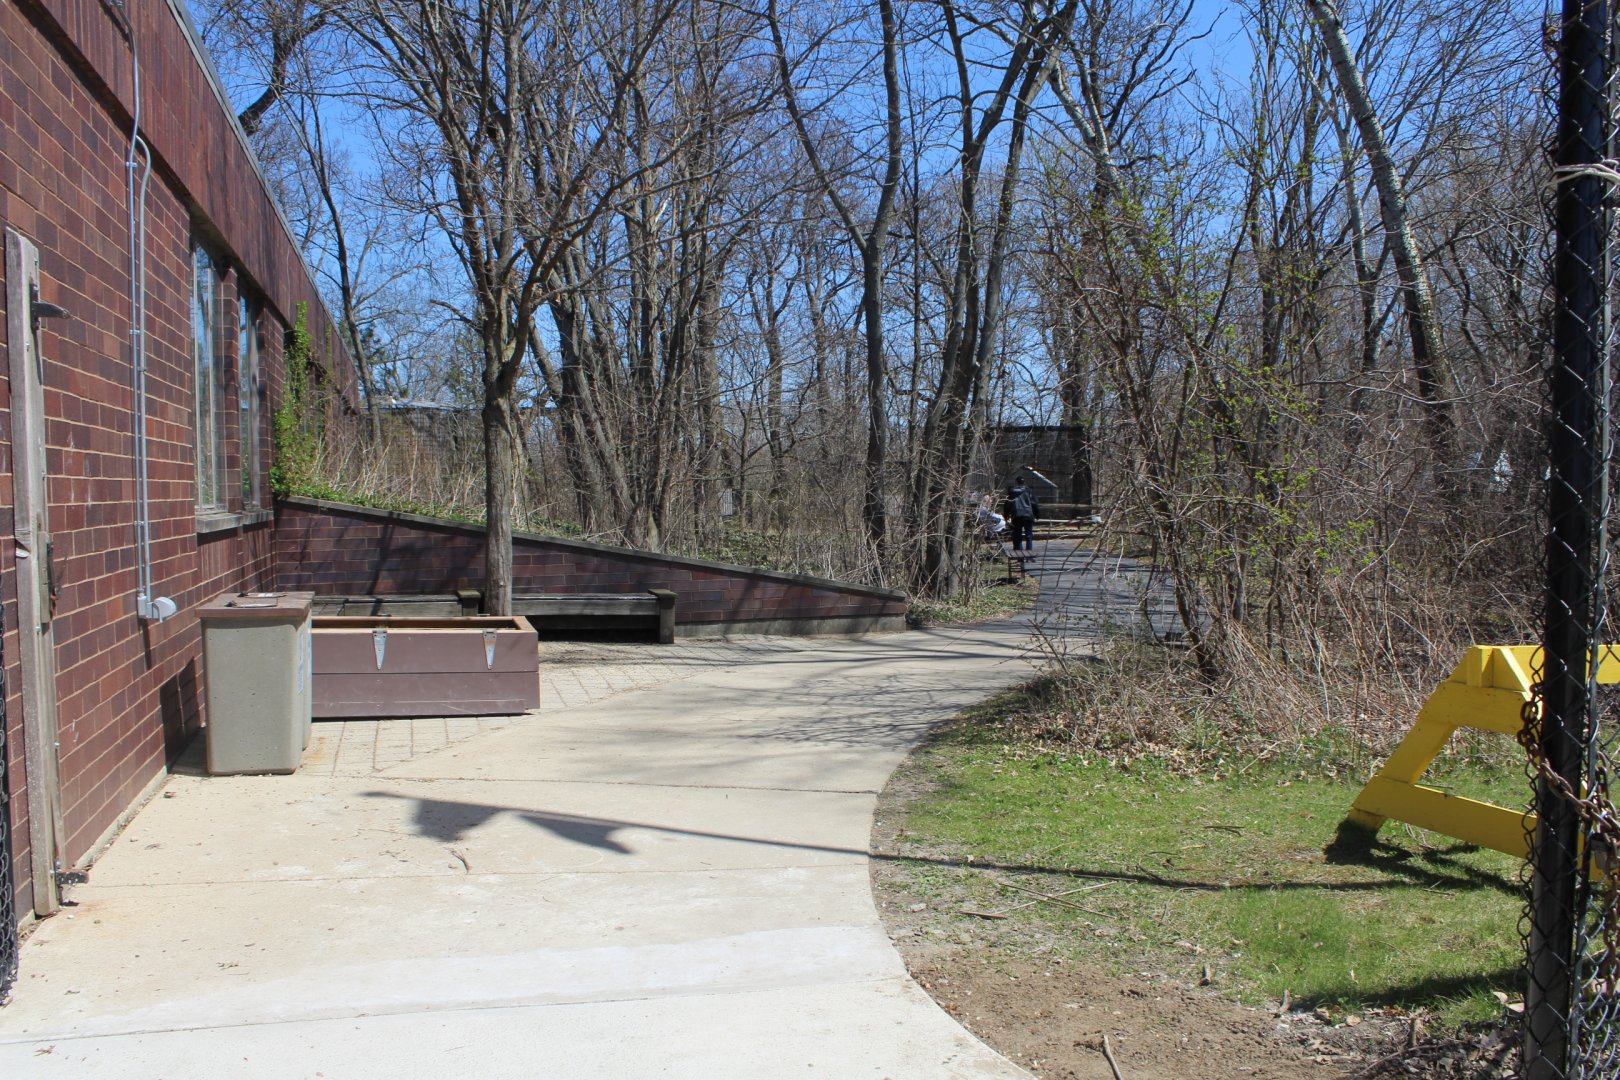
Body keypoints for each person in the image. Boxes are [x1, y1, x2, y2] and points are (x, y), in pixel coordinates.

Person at [1002, 476, 1040, 555]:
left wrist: (1006, 516)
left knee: (1018, 536)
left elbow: (1007, 505)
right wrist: (1037, 515)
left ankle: (1020, 556)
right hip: (1028, 515)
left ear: (1016, 482)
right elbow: (1034, 504)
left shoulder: (1011, 492)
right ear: (1024, 483)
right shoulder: (1029, 491)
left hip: (1016, 516)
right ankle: (1029, 554)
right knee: (1028, 536)